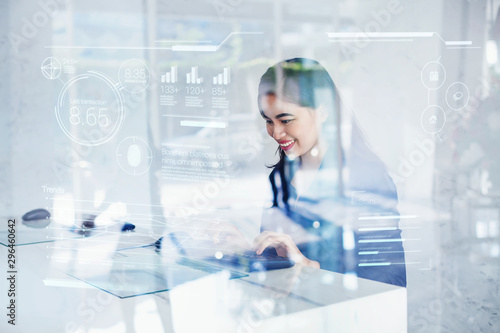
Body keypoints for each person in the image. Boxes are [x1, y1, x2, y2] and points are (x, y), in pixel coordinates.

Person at [252, 58, 407, 287]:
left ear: (322, 111)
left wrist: (311, 270)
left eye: (285, 120)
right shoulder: (280, 177)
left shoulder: (364, 179)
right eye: (268, 121)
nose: (276, 133)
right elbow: (274, 261)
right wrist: (245, 251)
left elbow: (390, 281)